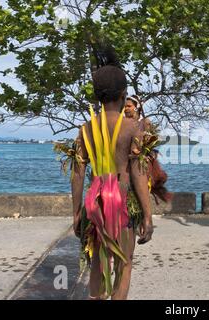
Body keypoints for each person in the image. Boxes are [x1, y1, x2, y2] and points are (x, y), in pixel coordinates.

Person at [71, 45, 153, 300]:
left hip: (94, 202)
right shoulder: (132, 128)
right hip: (122, 200)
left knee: (97, 260)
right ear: (123, 93)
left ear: (97, 96)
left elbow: (77, 174)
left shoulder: (85, 130)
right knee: (124, 263)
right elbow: (139, 175)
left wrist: (76, 213)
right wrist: (148, 215)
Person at [124, 94, 173, 203]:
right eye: (124, 106)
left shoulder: (145, 122)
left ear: (137, 108)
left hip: (141, 162)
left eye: (128, 106)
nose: (125, 109)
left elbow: (150, 143)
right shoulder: (122, 123)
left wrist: (145, 154)